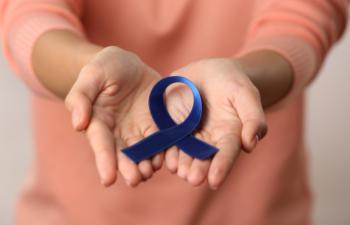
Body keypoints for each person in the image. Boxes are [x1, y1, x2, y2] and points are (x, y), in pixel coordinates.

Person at [0, 0, 347, 224]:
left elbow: (303, 17)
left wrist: (244, 81)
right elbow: (27, 12)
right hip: (75, 214)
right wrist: (90, 71)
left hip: (252, 212)